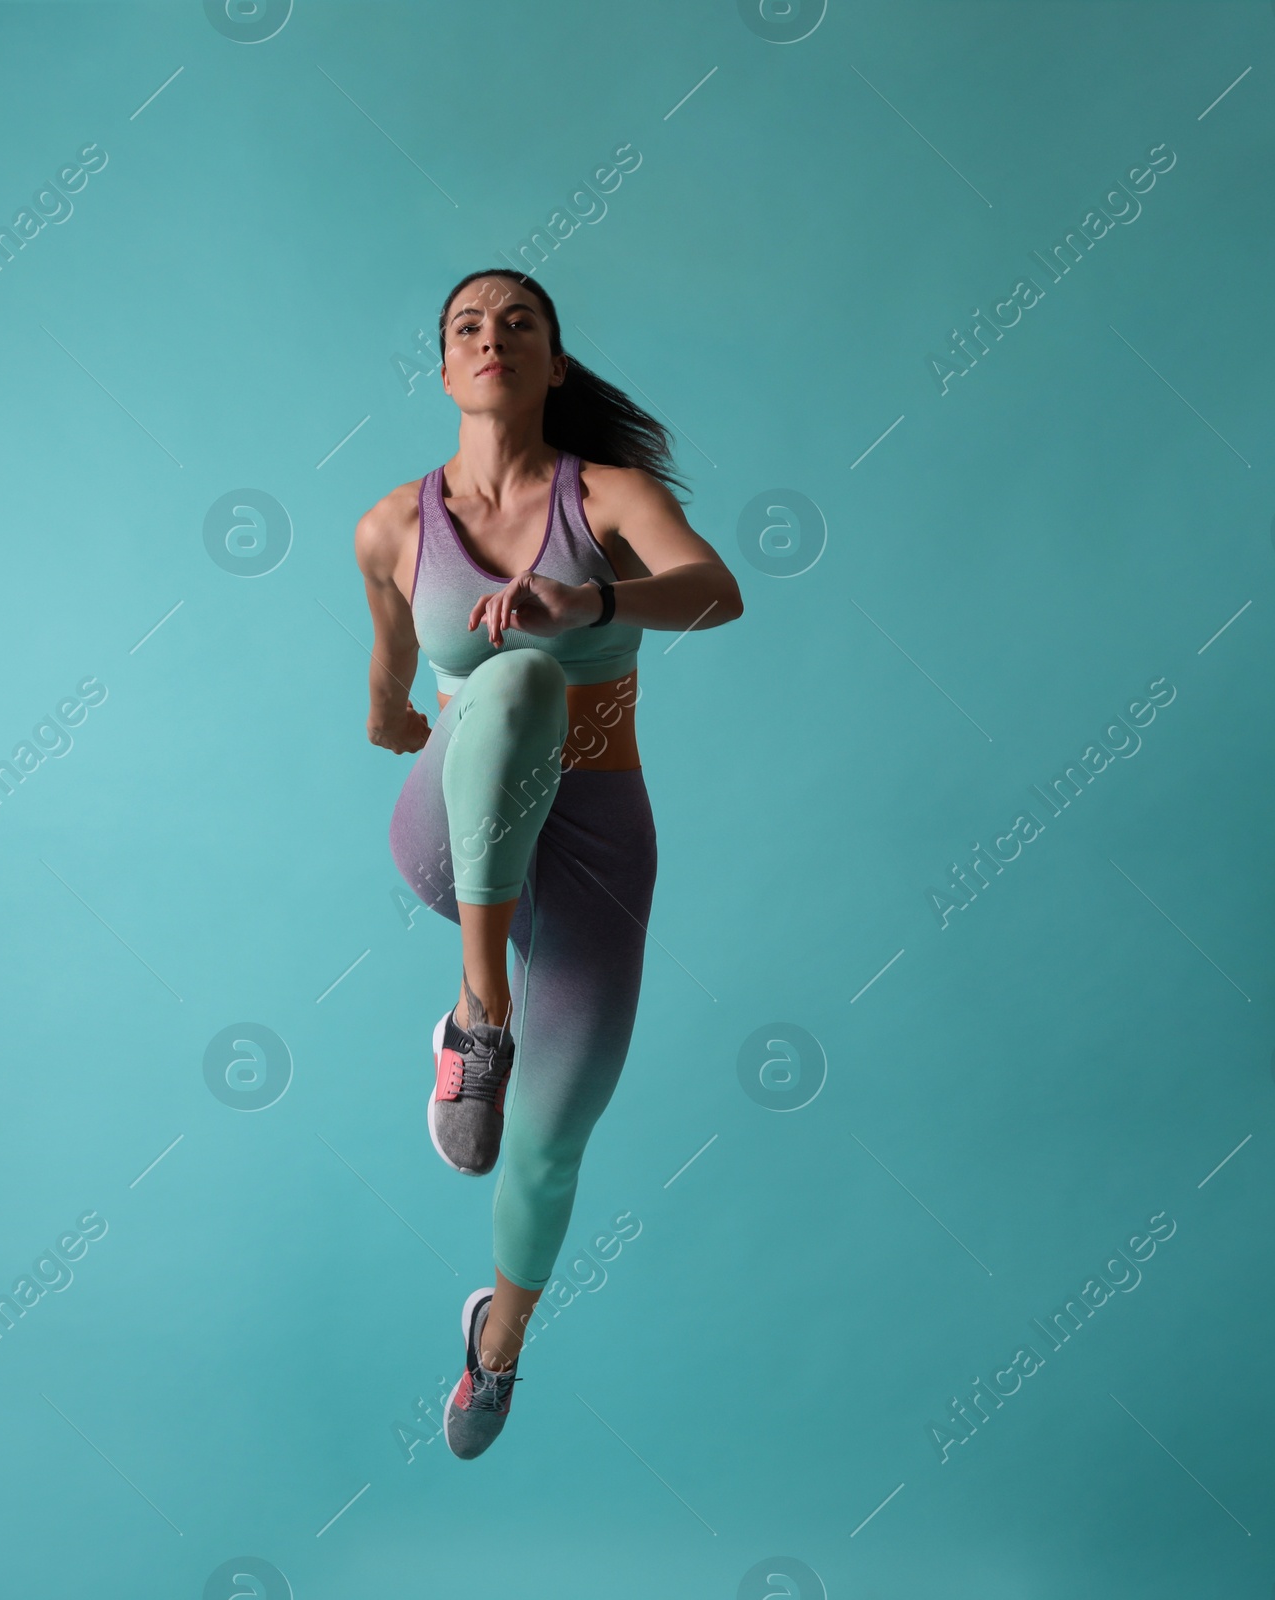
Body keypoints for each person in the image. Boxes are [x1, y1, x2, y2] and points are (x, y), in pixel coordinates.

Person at [354, 268, 743, 1459]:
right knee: (512, 679)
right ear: (443, 369)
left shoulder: (610, 497)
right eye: (468, 325)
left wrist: (592, 601)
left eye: (520, 322)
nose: (493, 337)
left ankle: (497, 1343)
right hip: (454, 830)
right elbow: (384, 684)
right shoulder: (390, 525)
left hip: (594, 838)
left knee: (550, 1136)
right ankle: (480, 1010)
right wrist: (399, 716)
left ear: (554, 364)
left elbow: (715, 591)